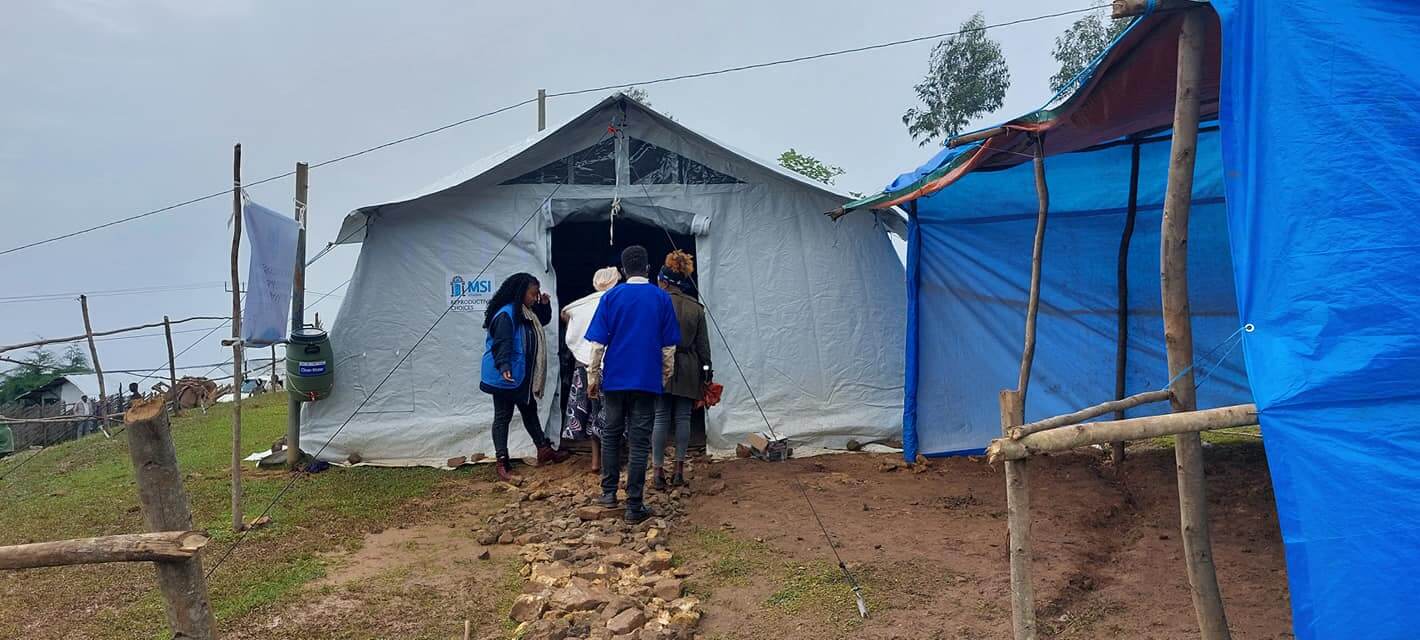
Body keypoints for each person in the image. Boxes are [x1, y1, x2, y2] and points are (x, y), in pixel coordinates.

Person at [586, 245, 682, 523]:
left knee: (611, 435)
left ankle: (607, 493)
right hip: (646, 380)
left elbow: (597, 345)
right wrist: (663, 377)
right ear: (648, 268)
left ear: (624, 270)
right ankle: (634, 504)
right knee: (640, 442)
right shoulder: (660, 298)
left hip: (615, 379)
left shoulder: (611, 297)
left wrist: (593, 378)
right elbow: (668, 348)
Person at [479, 273, 571, 481]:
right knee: (503, 417)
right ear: (521, 293)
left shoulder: (525, 312)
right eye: (532, 293)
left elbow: (542, 321)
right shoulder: (506, 315)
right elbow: (502, 343)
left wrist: (545, 305)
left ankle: (543, 450)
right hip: (505, 376)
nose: (535, 297)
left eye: (537, 293)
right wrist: (504, 365)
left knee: (529, 411)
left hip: (520, 375)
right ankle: (502, 462)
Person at [652, 250, 711, 490]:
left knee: (660, 417)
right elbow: (703, 347)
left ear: (663, 281)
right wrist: (707, 373)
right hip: (688, 365)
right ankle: (678, 470)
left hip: (660, 364)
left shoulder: (655, 303)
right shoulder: (695, 308)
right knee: (684, 417)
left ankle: (657, 471)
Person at [561, 266, 621, 473]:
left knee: (592, 414)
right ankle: (612, 459)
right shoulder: (616, 302)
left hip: (583, 367)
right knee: (613, 413)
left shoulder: (581, 306)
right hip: (612, 368)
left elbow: (565, 315)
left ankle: (596, 461)